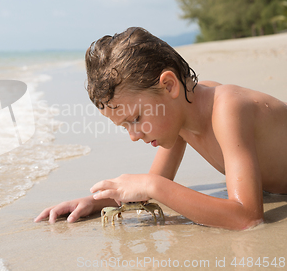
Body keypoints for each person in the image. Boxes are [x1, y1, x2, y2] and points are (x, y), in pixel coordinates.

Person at [34, 27, 287, 230]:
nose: (134, 136)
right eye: (125, 127)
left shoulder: (227, 110)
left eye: (135, 119)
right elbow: (156, 182)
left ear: (168, 86)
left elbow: (247, 217)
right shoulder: (182, 113)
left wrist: (151, 185)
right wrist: (94, 202)